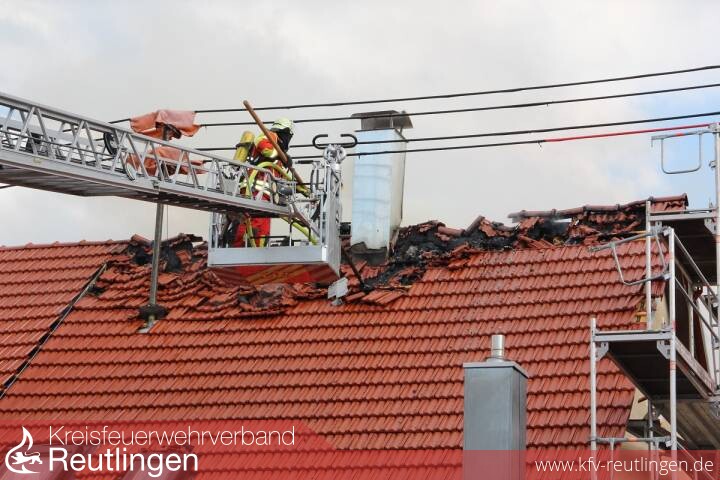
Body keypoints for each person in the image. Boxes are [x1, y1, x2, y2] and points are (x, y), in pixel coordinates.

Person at [231, 118, 295, 248]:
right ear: (285, 131)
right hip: (255, 190)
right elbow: (263, 146)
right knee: (253, 223)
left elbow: (279, 176)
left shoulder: (278, 157)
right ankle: (242, 249)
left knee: (263, 228)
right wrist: (280, 154)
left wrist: (301, 189)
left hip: (266, 195)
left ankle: (258, 249)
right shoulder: (270, 135)